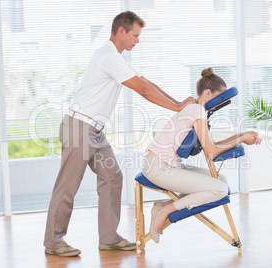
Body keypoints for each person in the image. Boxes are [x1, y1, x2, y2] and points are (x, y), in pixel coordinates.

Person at [43, 11, 196, 257]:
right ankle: (53, 241)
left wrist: (179, 102)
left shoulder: (119, 57)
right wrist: (178, 108)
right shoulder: (108, 56)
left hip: (94, 131)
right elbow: (143, 90)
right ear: (121, 31)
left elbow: (144, 81)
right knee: (67, 186)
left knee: (113, 177)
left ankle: (109, 238)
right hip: (79, 128)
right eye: (135, 35)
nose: (138, 41)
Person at [142, 67, 262, 243]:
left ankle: (165, 205)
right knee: (220, 189)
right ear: (208, 93)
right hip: (158, 168)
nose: (221, 104)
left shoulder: (196, 110)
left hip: (164, 165)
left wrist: (240, 136)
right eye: (220, 99)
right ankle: (165, 211)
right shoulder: (197, 111)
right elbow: (212, 153)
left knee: (221, 181)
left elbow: (212, 146)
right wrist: (242, 138)